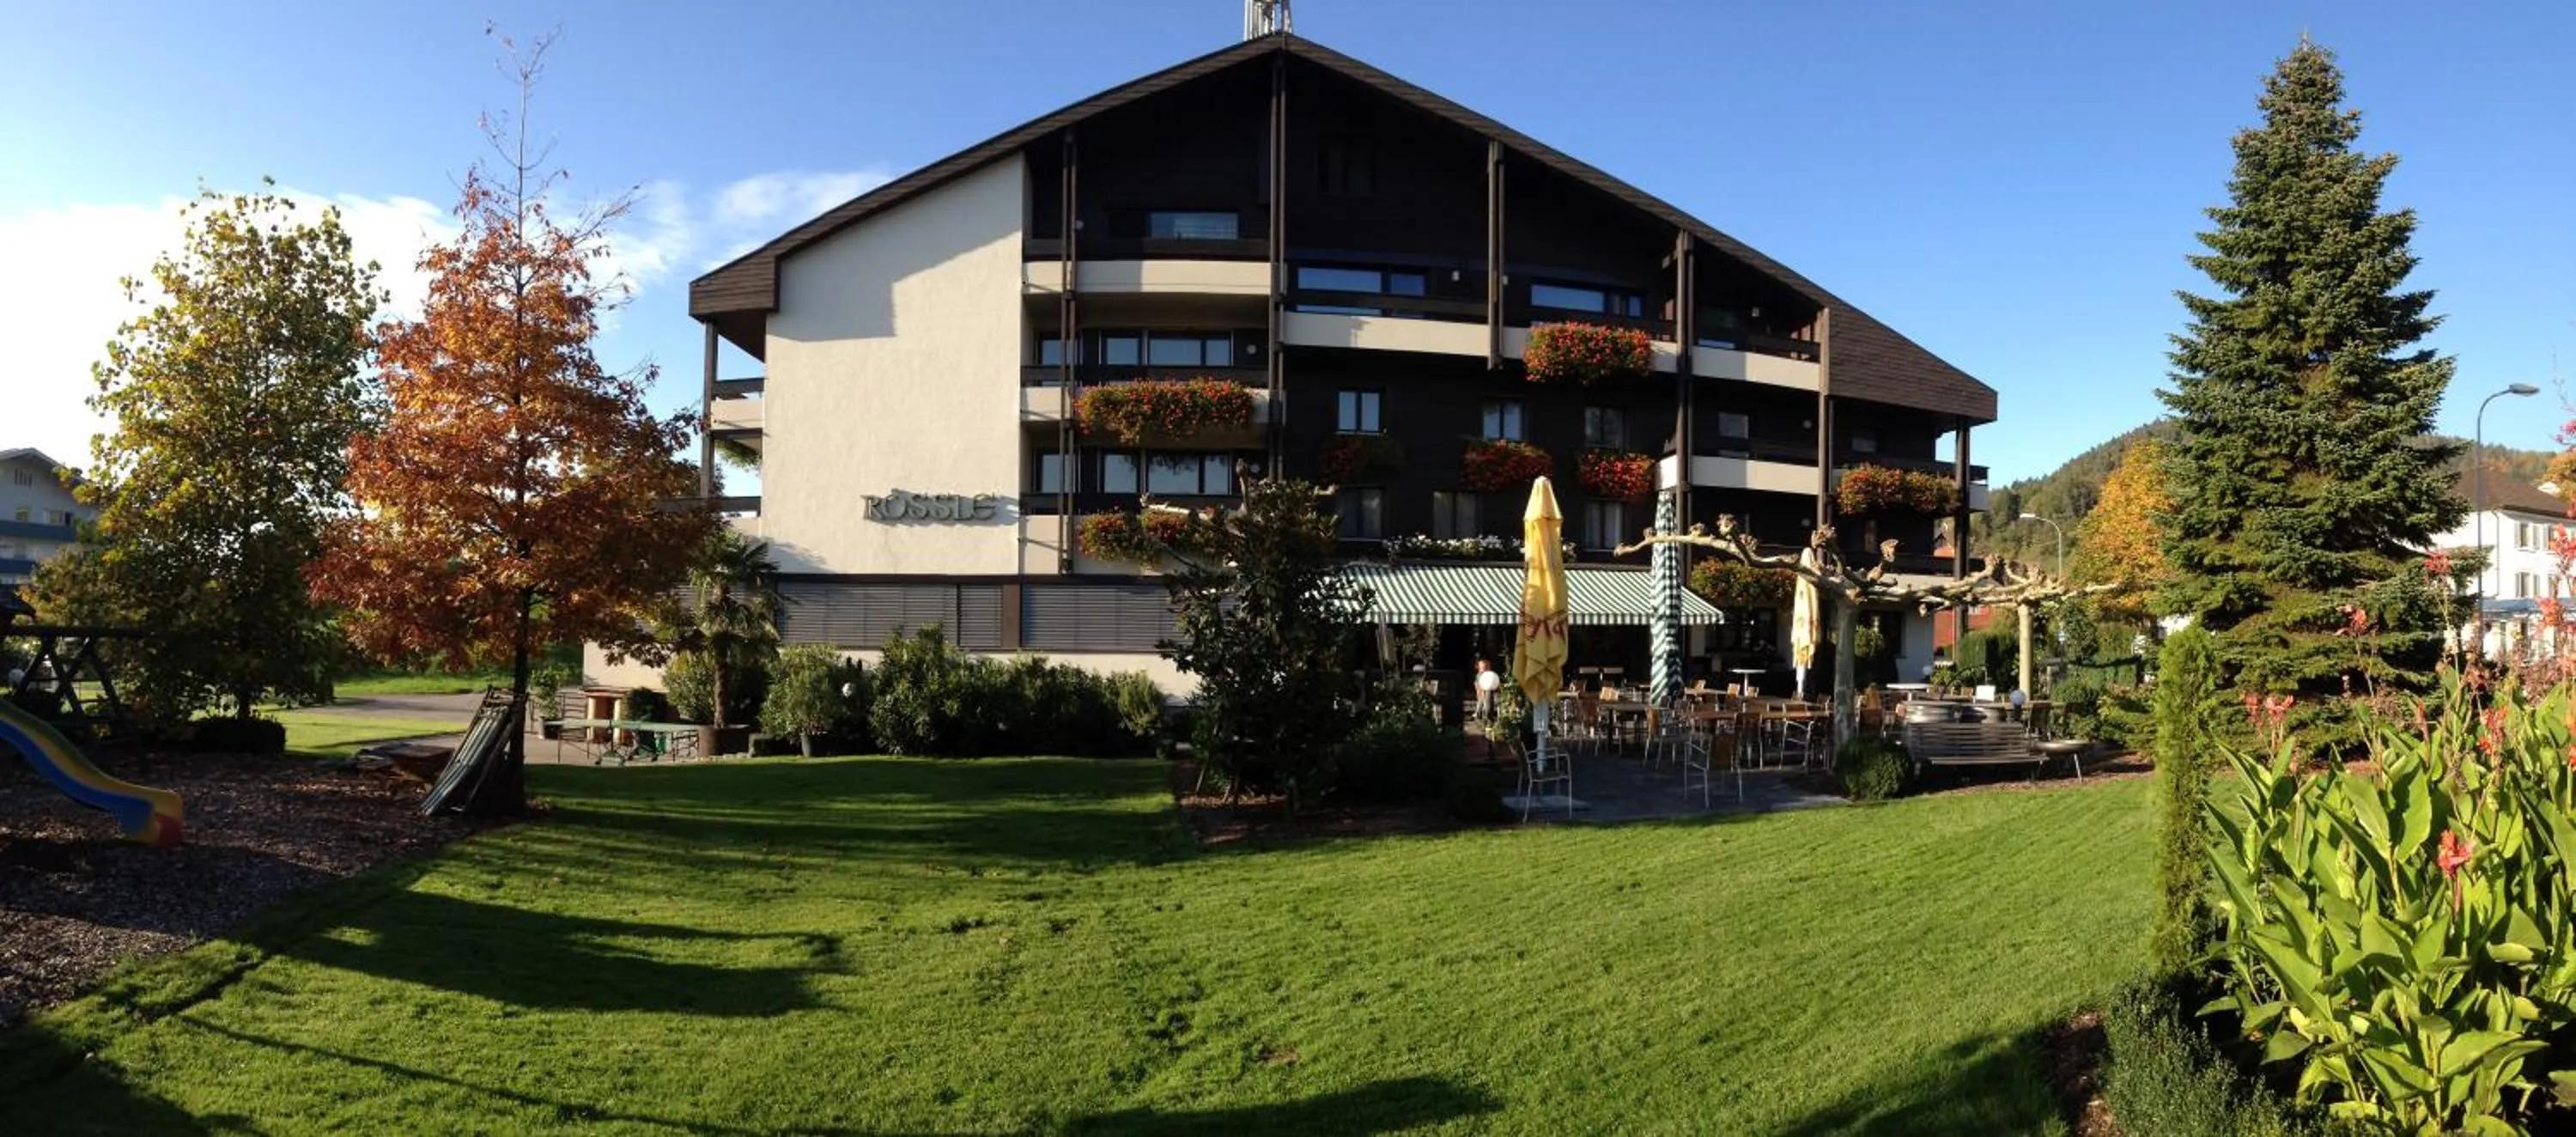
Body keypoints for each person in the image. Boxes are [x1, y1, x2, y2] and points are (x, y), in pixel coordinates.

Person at [1473, 658, 1502, 724]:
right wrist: (1479, 691)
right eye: (1483, 667)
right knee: (1481, 702)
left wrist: (1499, 687)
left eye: (1486, 667)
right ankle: (1479, 715)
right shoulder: (1479, 675)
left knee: (1492, 702)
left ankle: (1488, 717)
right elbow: (1477, 684)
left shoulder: (1491, 675)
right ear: (1479, 668)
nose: (1484, 669)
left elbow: (1497, 682)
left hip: (1491, 690)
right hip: (1483, 690)